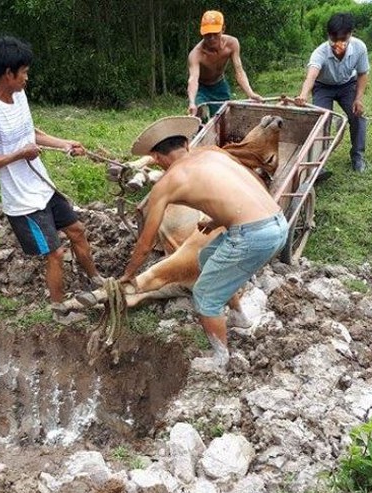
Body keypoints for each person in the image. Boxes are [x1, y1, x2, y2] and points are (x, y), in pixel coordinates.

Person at [121, 116, 288, 371]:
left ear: (156, 157)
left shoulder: (166, 185)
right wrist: (212, 222)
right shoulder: (213, 153)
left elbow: (145, 245)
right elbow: (235, 191)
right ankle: (238, 317)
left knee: (205, 295)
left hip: (251, 235)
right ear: (187, 143)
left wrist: (129, 275)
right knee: (207, 257)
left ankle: (221, 360)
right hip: (277, 222)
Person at [0, 36, 102, 313]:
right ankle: (59, 309)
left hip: (42, 187)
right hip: (23, 203)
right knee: (54, 253)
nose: (27, 78)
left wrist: (65, 144)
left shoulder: (19, 96)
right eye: (24, 72)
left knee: (77, 231)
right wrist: (19, 155)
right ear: (9, 74)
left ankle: (96, 281)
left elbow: (31, 135)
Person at [295, 12, 370, 173]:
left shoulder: (359, 48)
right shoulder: (320, 53)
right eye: (334, 39)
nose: (338, 44)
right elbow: (311, 76)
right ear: (328, 35)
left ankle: (358, 157)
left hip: (347, 85)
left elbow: (363, 73)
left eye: (343, 39)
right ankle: (317, 165)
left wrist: (358, 99)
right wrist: (303, 94)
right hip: (323, 87)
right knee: (321, 121)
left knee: (358, 117)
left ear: (351, 34)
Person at [187, 10, 262, 119]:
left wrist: (250, 93)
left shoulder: (232, 44)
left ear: (223, 29)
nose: (211, 38)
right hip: (201, 88)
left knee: (224, 117)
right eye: (207, 35)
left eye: (215, 33)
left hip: (219, 85)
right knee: (200, 114)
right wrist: (192, 102)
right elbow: (193, 79)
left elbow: (239, 71)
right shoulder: (196, 54)